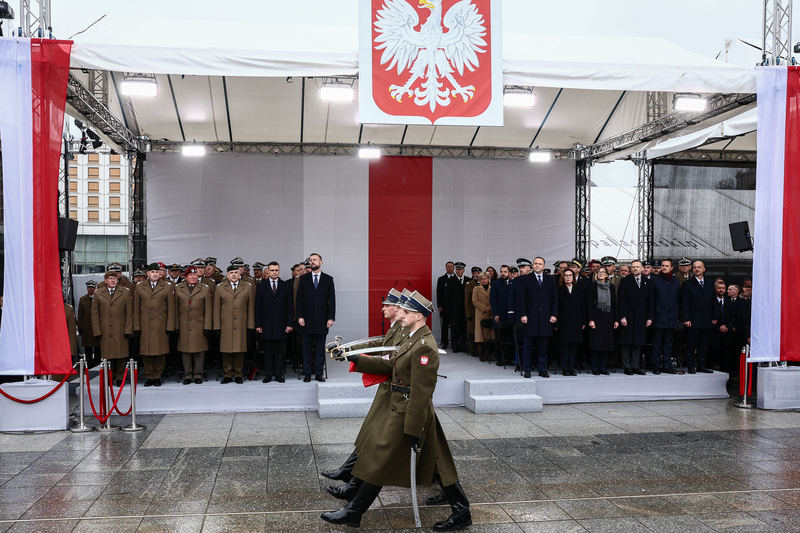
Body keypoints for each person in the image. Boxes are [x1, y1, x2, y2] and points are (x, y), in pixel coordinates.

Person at [321, 291, 470, 531]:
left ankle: (353, 511)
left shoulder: (425, 346)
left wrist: (413, 426)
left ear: (420, 317)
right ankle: (462, 511)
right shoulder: (412, 338)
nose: (400, 315)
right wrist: (356, 359)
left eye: (407, 312)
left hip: (409, 410)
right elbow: (392, 365)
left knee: (382, 459)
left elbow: (422, 391)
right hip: (401, 405)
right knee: (436, 460)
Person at [322, 288, 408, 496]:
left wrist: (357, 358)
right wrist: (349, 350)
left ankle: (351, 488)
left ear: (398, 308)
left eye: (387, 305)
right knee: (374, 439)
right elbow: (379, 343)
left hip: (402, 398)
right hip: (392, 394)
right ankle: (349, 477)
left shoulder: (406, 332)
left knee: (379, 444)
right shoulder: (396, 328)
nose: (383, 308)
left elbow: (391, 363)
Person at [134, 263, 176, 387]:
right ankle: (149, 375)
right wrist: (136, 327)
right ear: (147, 273)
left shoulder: (167, 287)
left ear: (161, 273)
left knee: (160, 351)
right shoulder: (140, 287)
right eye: (152, 272)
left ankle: (157, 376)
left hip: (160, 325)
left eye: (157, 272)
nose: (155, 274)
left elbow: (171, 309)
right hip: (145, 324)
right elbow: (136, 309)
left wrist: (170, 326)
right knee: (146, 352)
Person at [296, 253, 336, 382]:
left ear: (321, 262)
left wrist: (331, 318)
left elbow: (332, 300)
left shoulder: (328, 279)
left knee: (320, 348)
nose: (312, 262)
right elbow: (299, 300)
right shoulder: (304, 279)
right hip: (306, 319)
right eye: (311, 260)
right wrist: (300, 316)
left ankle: (319, 373)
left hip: (322, 319)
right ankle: (307, 373)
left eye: (315, 260)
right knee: (306, 348)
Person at [516, 257, 558, 378]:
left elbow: (555, 299)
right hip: (530, 317)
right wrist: (523, 314)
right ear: (532, 266)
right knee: (528, 344)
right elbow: (521, 299)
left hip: (545, 317)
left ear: (544, 266)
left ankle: (542, 368)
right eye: (535, 264)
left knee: (543, 345)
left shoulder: (551, 280)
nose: (537, 266)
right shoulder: (525, 279)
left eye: (540, 264)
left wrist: (554, 314)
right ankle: (527, 368)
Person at [214, 265, 255, 383]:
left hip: (241, 323)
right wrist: (217, 326)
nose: (233, 275)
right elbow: (216, 309)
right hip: (226, 324)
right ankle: (227, 374)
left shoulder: (247, 287)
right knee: (226, 350)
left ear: (240, 274)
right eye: (231, 272)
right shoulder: (220, 288)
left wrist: (250, 325)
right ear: (227, 275)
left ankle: (238, 373)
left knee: (239, 349)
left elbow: (250, 308)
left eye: (235, 272)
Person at [91, 271, 134, 384]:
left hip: (120, 329)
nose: (113, 280)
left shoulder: (125, 292)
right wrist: (97, 331)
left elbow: (129, 313)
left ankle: (120, 377)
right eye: (110, 278)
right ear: (105, 281)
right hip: (105, 330)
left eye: (114, 278)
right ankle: (109, 377)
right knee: (107, 355)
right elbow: (95, 315)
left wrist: (128, 329)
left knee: (121, 355)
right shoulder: (98, 293)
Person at [255, 261, 294, 383]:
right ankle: (268, 374)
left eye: (276, 270)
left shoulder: (285, 286)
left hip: (281, 325)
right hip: (266, 324)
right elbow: (257, 307)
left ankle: (278, 374)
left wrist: (289, 324)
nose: (274, 272)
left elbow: (290, 307)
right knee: (267, 351)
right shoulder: (261, 286)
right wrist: (258, 325)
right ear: (268, 272)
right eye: (272, 270)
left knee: (279, 352)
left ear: (279, 271)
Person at [174, 266, 213, 385]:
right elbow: (175, 309)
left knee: (199, 352)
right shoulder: (178, 289)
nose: (193, 277)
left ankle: (198, 374)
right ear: (185, 277)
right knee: (185, 352)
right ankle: (187, 374)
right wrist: (176, 326)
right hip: (184, 325)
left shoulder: (204, 289)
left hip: (198, 325)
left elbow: (208, 310)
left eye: (195, 275)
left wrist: (207, 326)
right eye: (190, 275)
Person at [617, 260, 654, 375]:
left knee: (638, 342)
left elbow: (651, 301)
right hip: (628, 316)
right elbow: (621, 301)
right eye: (633, 267)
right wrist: (622, 316)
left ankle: (635, 366)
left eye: (637, 267)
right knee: (626, 342)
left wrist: (650, 317)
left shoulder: (648, 282)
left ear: (642, 268)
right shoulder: (624, 281)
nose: (635, 269)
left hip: (641, 317)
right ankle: (627, 366)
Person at [680, 261, 715, 374]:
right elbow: (684, 303)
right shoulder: (688, 284)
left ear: (704, 269)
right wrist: (686, 318)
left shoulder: (710, 283)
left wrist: (714, 316)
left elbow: (713, 301)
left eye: (699, 267)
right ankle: (691, 366)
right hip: (693, 320)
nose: (697, 269)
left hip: (706, 319)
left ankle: (701, 365)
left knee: (704, 345)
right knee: (691, 344)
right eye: (695, 267)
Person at [586, 266, 618, 375]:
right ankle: (595, 368)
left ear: (606, 274)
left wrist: (616, 320)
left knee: (606, 345)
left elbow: (614, 304)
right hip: (596, 319)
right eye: (599, 272)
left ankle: (603, 368)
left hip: (608, 318)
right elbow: (589, 304)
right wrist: (590, 319)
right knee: (596, 345)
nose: (601, 274)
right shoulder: (591, 286)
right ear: (595, 274)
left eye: (603, 272)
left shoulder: (611, 287)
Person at [650, 259, 680, 374]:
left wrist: (677, 313)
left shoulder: (676, 281)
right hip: (659, 316)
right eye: (663, 266)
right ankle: (656, 366)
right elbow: (652, 300)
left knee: (668, 343)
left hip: (672, 316)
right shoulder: (655, 280)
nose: (664, 268)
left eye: (667, 266)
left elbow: (678, 298)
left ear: (672, 267)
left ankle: (666, 365)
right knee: (657, 343)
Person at [554, 269, 584, 376]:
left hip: (576, 321)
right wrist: (556, 324)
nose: (568, 277)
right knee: (564, 347)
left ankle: (571, 367)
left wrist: (583, 322)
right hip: (563, 322)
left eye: (570, 275)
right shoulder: (558, 289)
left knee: (573, 347)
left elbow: (582, 307)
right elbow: (556, 307)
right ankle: (565, 368)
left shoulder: (578, 289)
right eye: (566, 275)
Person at [443, 262, 469, 353]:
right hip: (454, 309)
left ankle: (463, 345)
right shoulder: (450, 281)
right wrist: (448, 310)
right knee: (455, 328)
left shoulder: (467, 280)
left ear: (463, 270)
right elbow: (447, 297)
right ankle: (455, 346)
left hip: (465, 309)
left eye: (460, 269)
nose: (458, 271)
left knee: (464, 328)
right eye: (457, 269)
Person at [490, 265, 513, 366]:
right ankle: (499, 359)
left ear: (509, 273)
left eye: (505, 272)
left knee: (509, 338)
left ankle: (507, 358)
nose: (503, 274)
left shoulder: (513, 283)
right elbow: (492, 300)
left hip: (509, 315)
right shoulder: (496, 284)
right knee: (498, 338)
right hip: (499, 315)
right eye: (501, 272)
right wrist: (496, 314)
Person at [77, 280, 101, 367]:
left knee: (97, 347)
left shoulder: (99, 298)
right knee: (88, 347)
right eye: (89, 287)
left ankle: (97, 362)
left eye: (92, 287)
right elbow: (80, 314)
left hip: (96, 326)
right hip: (86, 327)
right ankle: (89, 363)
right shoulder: (82, 299)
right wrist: (80, 326)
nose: (90, 289)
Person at [471, 272, 493, 362]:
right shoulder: (476, 288)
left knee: (490, 336)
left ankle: (488, 354)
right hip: (481, 313)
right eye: (482, 279)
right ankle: (481, 354)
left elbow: (495, 299)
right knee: (480, 337)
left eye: (485, 279)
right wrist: (484, 308)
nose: (484, 280)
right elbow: (474, 301)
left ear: (488, 279)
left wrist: (490, 308)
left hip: (490, 313)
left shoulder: (492, 288)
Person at [435, 261, 455, 349]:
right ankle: (445, 342)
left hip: (455, 307)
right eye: (448, 266)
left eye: (451, 266)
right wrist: (440, 305)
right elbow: (439, 293)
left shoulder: (458, 279)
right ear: (446, 268)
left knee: (455, 325)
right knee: (445, 325)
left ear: (454, 268)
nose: (450, 268)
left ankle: (455, 343)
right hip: (444, 307)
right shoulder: (441, 279)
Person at [464, 267, 482, 357]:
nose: (476, 274)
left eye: (478, 272)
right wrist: (468, 314)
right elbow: (467, 301)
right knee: (471, 332)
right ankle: (472, 349)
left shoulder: (484, 283)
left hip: (482, 312)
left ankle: (480, 350)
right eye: (475, 273)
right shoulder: (469, 284)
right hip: (472, 311)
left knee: (480, 332)